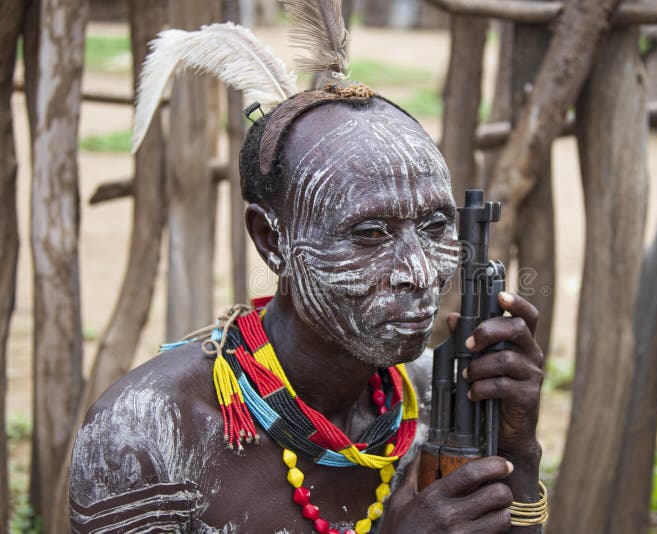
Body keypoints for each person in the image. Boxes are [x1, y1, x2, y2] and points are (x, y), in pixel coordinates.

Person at [69, 15, 545, 534]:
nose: (420, 272)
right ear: (272, 239)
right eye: (369, 233)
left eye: (434, 226)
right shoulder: (151, 435)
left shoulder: (441, 396)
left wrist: (516, 454)